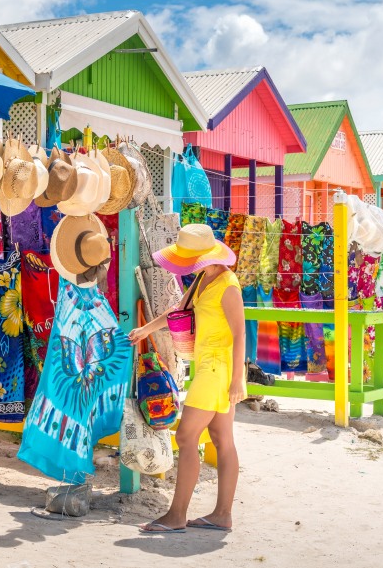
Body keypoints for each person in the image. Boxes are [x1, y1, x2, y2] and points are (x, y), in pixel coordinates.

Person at [129, 223, 246, 534]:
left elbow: (240, 334)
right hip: (208, 367)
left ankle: (177, 515)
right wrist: (145, 330)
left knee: (185, 437)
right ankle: (222, 515)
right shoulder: (202, 280)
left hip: (216, 370)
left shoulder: (228, 286)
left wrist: (238, 380)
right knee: (222, 440)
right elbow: (176, 313)